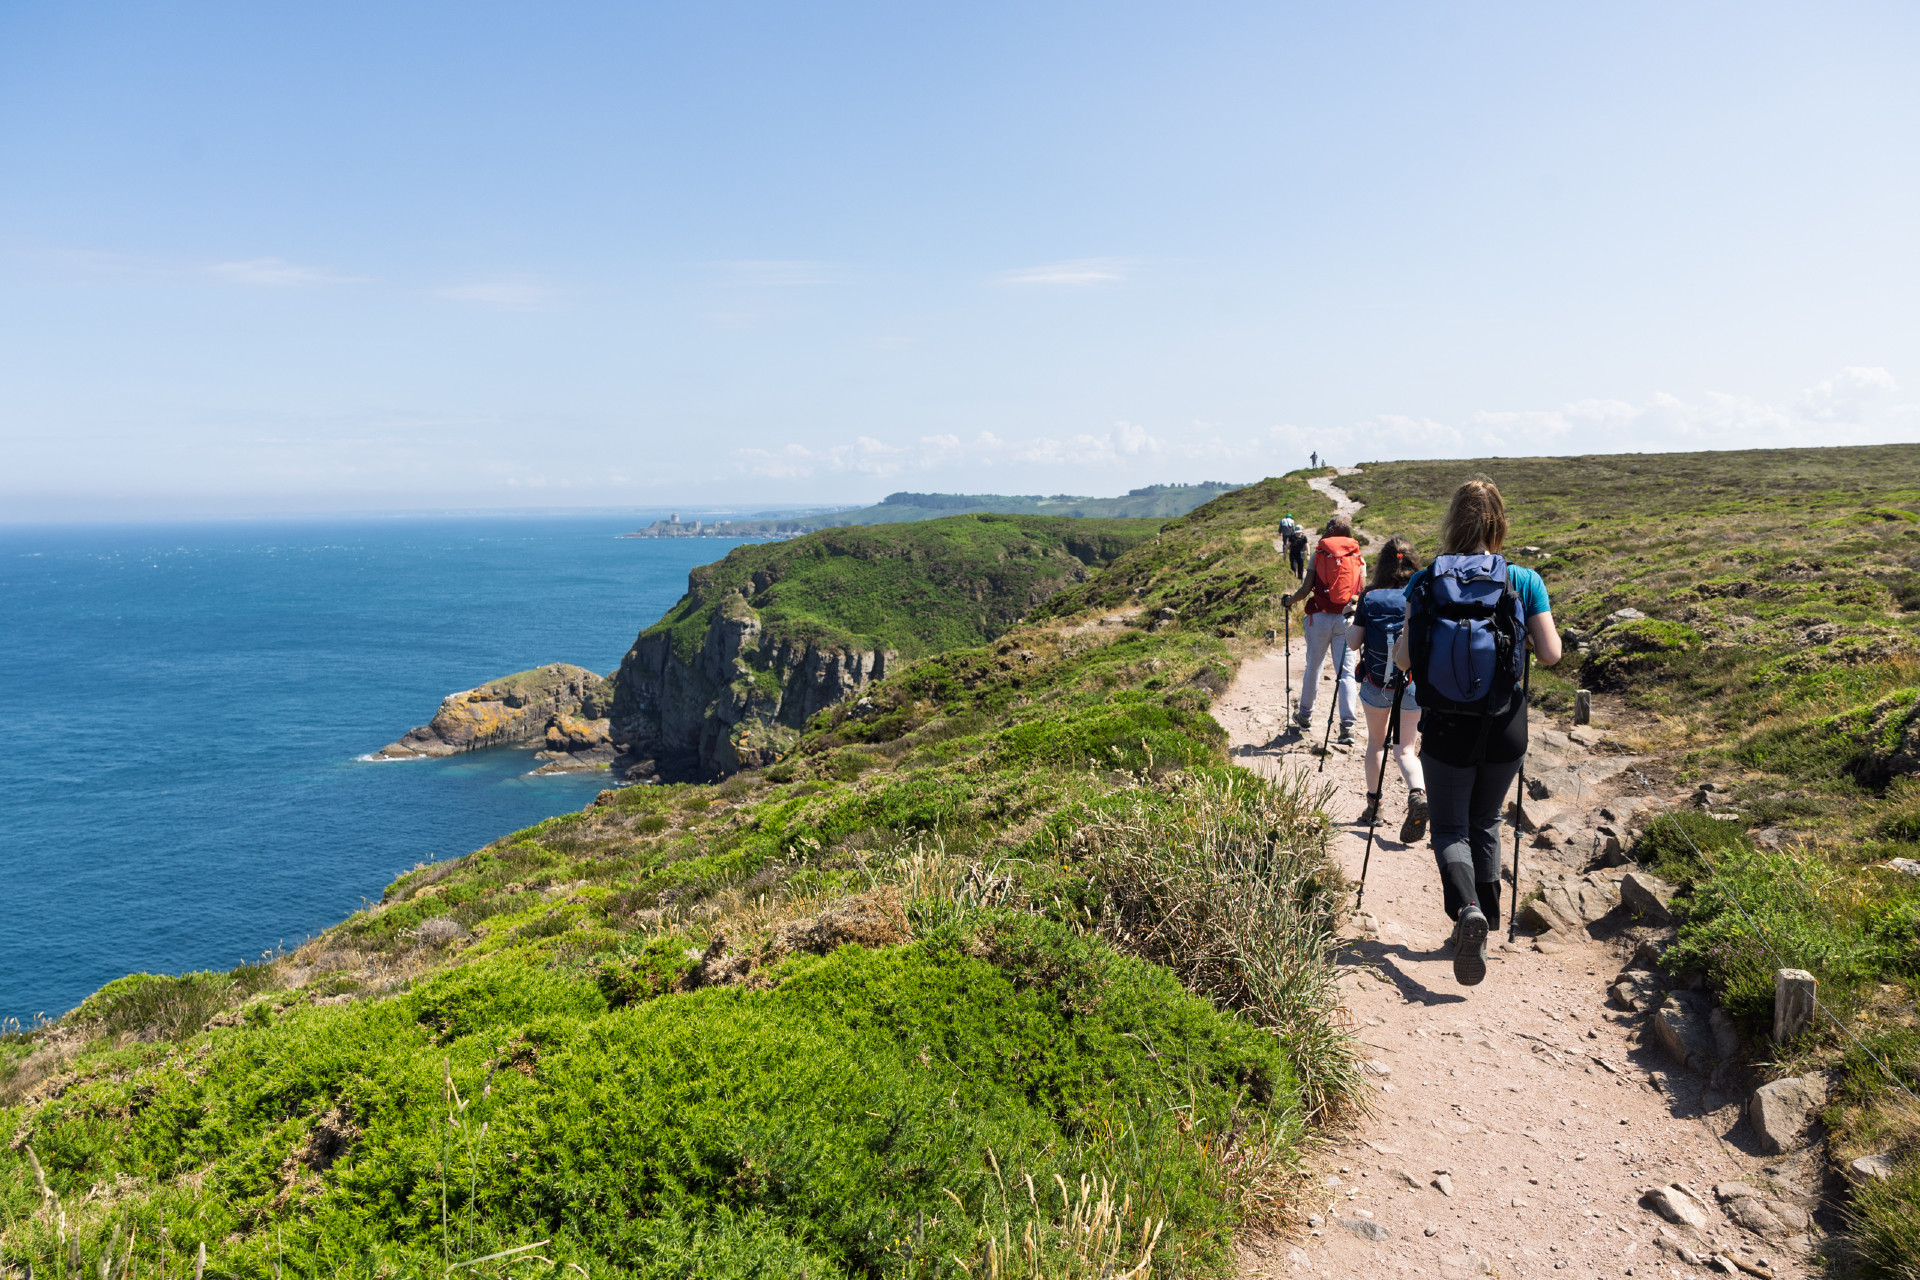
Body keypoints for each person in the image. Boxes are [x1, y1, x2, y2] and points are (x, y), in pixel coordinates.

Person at [1392, 478, 1562, 987]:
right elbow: (1551, 654)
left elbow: (1402, 659)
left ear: (1454, 521)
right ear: (1499, 521)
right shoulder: (1523, 580)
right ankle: (1483, 924)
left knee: (1449, 828)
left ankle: (1467, 911)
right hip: (1506, 725)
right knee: (1486, 819)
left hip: (1446, 725)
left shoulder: (1424, 582)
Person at [1347, 536, 1426, 841]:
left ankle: (1374, 807)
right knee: (1406, 748)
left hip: (1377, 683)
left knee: (1376, 744)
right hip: (1412, 683)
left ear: (1382, 562)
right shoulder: (1421, 594)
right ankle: (1417, 794)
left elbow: (1353, 643)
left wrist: (1349, 623)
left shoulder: (1370, 596)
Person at [1284, 515, 1363, 744]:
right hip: (1347, 620)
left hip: (1319, 618)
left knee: (1314, 667)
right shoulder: (1357, 556)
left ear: (1328, 531)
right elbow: (1363, 592)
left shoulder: (1319, 554)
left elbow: (1305, 589)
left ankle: (1305, 716)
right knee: (1346, 673)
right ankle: (1347, 727)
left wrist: (1288, 602)